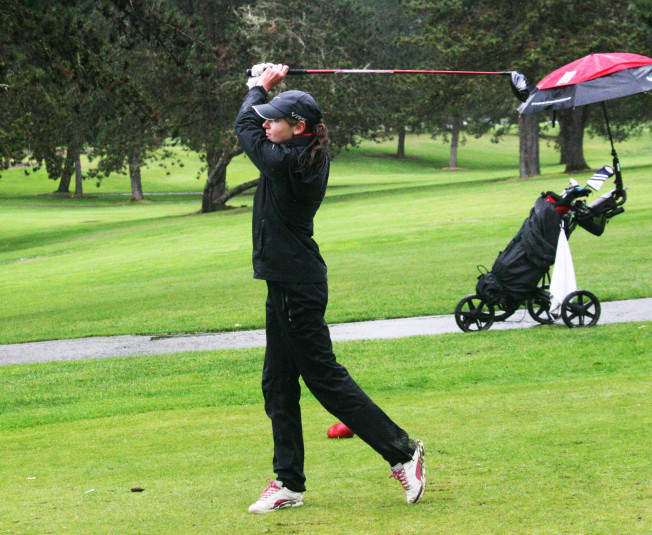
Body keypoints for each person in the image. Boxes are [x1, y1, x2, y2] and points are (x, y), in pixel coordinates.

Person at [234, 63, 426, 514]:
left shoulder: (288, 161)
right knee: (277, 382)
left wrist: (258, 85)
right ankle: (288, 482)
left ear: (297, 127)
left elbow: (244, 125)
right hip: (286, 281)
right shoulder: (295, 150)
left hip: (295, 286)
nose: (265, 123)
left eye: (274, 119)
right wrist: (267, 91)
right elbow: (254, 124)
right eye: (267, 115)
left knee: (323, 378)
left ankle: (402, 451)